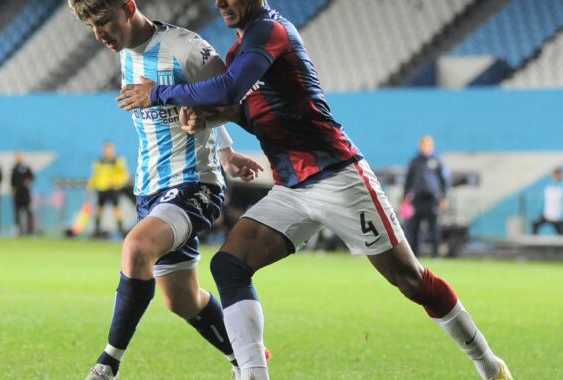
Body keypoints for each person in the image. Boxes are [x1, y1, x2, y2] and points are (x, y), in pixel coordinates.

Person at [117, 1, 512, 379]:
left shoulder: (269, 31)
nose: (222, 3)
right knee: (229, 265)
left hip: (338, 177)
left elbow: (228, 89)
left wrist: (160, 93)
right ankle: (253, 373)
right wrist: (200, 119)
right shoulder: (241, 50)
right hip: (291, 187)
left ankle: (490, 365)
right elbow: (240, 109)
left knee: (410, 280)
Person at [68, 1, 265, 379]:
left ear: (129, 7)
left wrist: (219, 157)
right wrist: (226, 151)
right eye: (92, 28)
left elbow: (230, 100)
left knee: (136, 247)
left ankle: (107, 365)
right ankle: (245, 359)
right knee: (181, 300)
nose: (100, 36)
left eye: (105, 22)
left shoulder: (186, 49)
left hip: (194, 185)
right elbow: (195, 100)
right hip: (150, 191)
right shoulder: (125, 53)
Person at [403, 135, 450, 256]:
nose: (425, 147)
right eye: (423, 144)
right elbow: (408, 180)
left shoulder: (437, 161)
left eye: (428, 145)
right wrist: (405, 197)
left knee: (434, 228)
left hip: (432, 199)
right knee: (414, 228)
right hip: (417, 199)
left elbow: (444, 181)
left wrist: (443, 197)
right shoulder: (415, 161)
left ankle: (435, 254)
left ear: (432, 146)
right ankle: (414, 255)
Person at [87, 141, 130, 237]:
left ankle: (121, 229)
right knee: (99, 209)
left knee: (117, 208)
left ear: (113, 150)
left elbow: (124, 176)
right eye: (106, 150)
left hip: (113, 188)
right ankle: (97, 229)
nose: (108, 151)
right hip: (102, 188)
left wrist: (116, 182)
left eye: (110, 149)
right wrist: (90, 186)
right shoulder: (99, 162)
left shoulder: (118, 161)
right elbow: (94, 175)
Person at [531, 167, 563, 235]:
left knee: (560, 234)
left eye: (558, 175)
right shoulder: (548, 186)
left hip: (558, 217)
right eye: (555, 175)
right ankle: (535, 244)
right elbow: (543, 201)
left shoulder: (561, 187)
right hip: (547, 215)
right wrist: (539, 212)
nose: (556, 177)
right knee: (535, 224)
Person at [11, 151, 35, 236]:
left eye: (20, 156)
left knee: (28, 211)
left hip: (25, 193)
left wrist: (28, 182)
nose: (18, 157)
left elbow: (32, 177)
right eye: (17, 156)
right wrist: (12, 189)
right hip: (17, 193)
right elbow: (12, 181)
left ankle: (29, 230)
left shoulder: (26, 167)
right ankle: (18, 230)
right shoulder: (14, 168)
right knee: (17, 212)